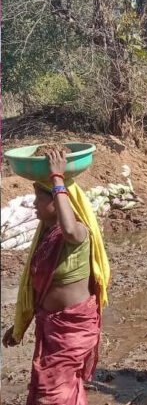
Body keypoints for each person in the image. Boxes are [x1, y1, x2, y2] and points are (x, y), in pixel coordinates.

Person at [3, 150, 110, 404]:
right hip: (51, 326)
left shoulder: (77, 234)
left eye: (38, 199)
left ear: (58, 201)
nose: (33, 204)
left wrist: (57, 178)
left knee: (49, 397)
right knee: (60, 391)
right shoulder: (47, 236)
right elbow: (35, 288)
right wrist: (21, 324)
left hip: (72, 329)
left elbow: (70, 228)